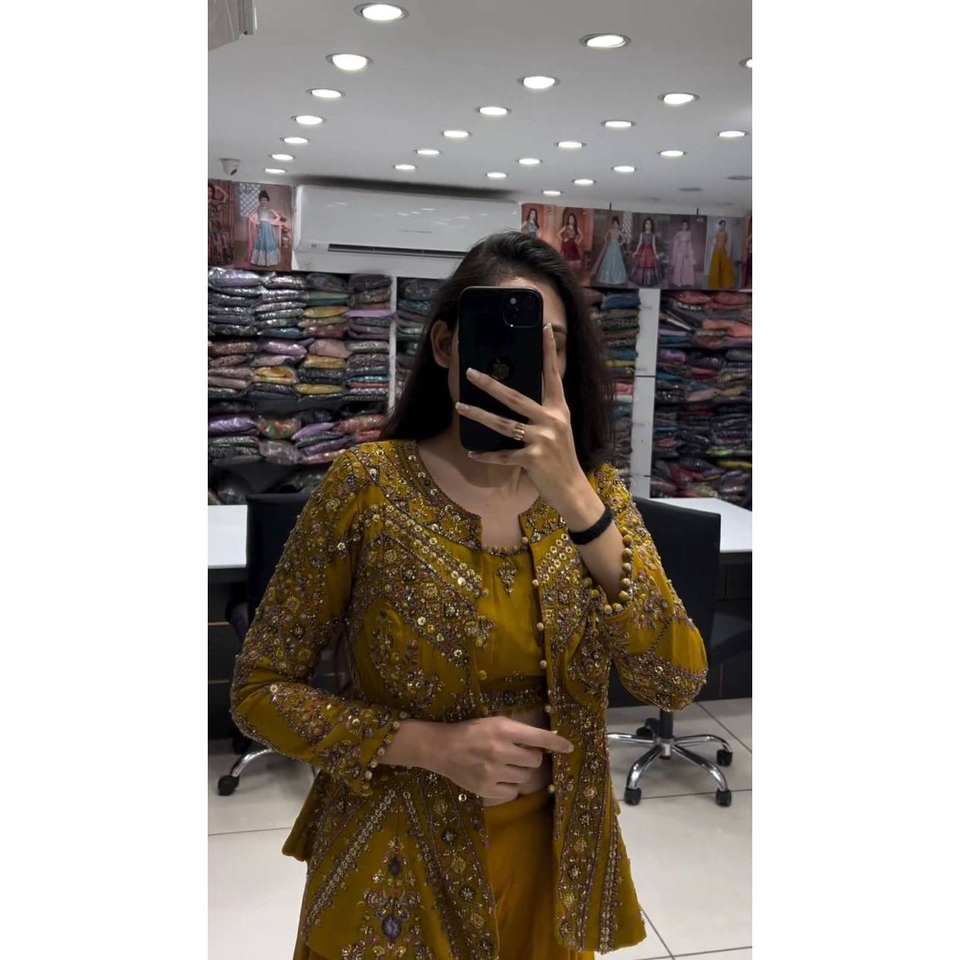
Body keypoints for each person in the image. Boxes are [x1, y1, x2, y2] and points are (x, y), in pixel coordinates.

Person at [230, 232, 708, 960]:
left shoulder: (597, 498)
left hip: (555, 864)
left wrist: (578, 501)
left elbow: (674, 679)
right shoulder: (367, 487)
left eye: (553, 345)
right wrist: (429, 746)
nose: (528, 363)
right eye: (503, 337)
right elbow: (258, 691)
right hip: (393, 861)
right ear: (447, 346)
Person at [247, 189, 284, 267]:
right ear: (260, 201)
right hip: (261, 228)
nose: (263, 201)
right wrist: (257, 222)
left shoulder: (270, 210)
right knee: (261, 243)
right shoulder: (258, 210)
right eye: (262, 200)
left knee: (269, 242)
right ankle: (260, 261)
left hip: (268, 229)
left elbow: (278, 217)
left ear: (267, 201)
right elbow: (250, 217)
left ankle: (270, 261)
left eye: (265, 200)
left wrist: (271, 221)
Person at [591, 215, 629, 285]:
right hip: (610, 246)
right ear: (612, 224)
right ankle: (607, 278)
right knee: (608, 261)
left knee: (616, 261)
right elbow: (605, 237)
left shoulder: (619, 231)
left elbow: (624, 239)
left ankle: (617, 278)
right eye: (614, 223)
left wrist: (620, 244)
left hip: (616, 247)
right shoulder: (610, 230)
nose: (615, 225)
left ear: (618, 224)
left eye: (616, 223)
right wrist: (607, 242)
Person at [630, 217, 661, 286]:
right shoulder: (642, 234)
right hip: (643, 252)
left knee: (649, 265)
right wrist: (636, 252)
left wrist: (656, 254)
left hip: (650, 252)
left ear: (651, 225)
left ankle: (648, 281)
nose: (648, 225)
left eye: (649, 224)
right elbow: (639, 243)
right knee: (641, 264)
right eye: (646, 224)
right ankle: (641, 280)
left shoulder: (653, 235)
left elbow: (653, 246)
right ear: (644, 225)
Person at [707, 219, 736, 289]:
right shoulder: (716, 232)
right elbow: (712, 240)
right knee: (716, 266)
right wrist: (715, 244)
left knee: (725, 266)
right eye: (722, 225)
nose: (723, 226)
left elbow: (726, 243)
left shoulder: (726, 233)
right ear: (720, 225)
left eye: (724, 225)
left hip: (723, 250)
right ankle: (715, 283)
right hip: (716, 251)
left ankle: (725, 283)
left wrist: (727, 252)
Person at [669, 218, 697, 287]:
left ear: (687, 226)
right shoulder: (678, 233)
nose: (685, 226)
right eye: (683, 225)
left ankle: (686, 281)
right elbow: (675, 243)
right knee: (679, 266)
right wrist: (678, 251)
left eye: (686, 225)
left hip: (686, 252)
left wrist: (689, 253)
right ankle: (678, 282)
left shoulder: (689, 233)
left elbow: (689, 244)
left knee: (686, 267)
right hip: (679, 252)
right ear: (681, 226)